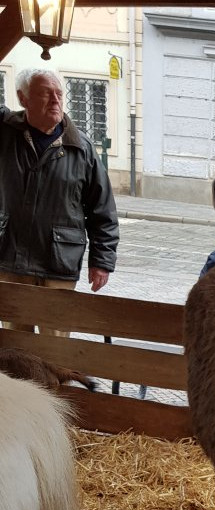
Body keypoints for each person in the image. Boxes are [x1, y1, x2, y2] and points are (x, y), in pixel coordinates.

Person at [0, 68, 118, 336]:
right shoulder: (6, 134)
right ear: (23, 98)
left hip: (58, 263)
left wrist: (102, 261)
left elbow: (102, 211)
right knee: (16, 344)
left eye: (59, 93)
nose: (55, 100)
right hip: (11, 260)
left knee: (56, 345)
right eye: (45, 93)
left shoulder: (81, 148)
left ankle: (53, 381)